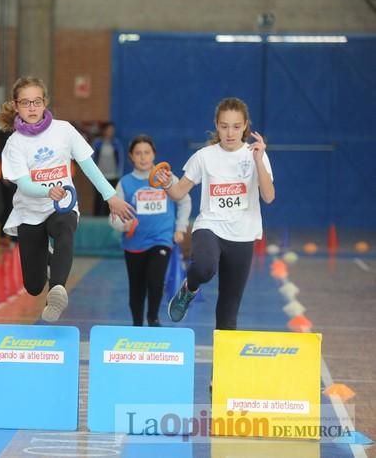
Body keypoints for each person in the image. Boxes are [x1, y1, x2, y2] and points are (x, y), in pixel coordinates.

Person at [0, 76, 135, 322]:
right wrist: (45, 190)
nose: (32, 108)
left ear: (45, 103)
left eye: (36, 102)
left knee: (64, 228)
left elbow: (88, 166)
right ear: (16, 105)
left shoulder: (64, 130)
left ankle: (58, 290)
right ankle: (48, 263)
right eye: (26, 103)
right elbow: (24, 184)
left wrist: (110, 196)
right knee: (33, 286)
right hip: (29, 210)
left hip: (62, 205)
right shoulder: (14, 144)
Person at [155, 97, 275, 330]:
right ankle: (189, 288)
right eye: (224, 126)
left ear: (245, 126)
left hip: (242, 235)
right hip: (210, 226)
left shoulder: (255, 155)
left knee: (229, 309)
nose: (230, 133)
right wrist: (168, 183)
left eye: (236, 126)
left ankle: (223, 364)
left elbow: (269, 197)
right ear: (217, 125)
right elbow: (179, 192)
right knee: (204, 267)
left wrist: (259, 161)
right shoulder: (204, 156)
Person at [110, 134, 191, 327]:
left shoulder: (167, 178)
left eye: (147, 152)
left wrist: (180, 228)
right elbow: (113, 216)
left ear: (154, 154)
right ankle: (137, 324)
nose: (143, 157)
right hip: (134, 243)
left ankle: (153, 318)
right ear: (131, 156)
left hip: (161, 239)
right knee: (136, 287)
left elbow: (185, 201)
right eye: (138, 153)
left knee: (155, 281)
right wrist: (123, 225)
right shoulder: (124, 184)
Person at [91, 122, 126, 216]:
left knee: (110, 198)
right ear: (104, 131)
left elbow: (121, 159)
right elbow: (92, 159)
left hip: (113, 175)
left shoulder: (116, 143)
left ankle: (109, 217)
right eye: (109, 130)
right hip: (100, 176)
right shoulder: (97, 143)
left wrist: (119, 173)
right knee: (99, 198)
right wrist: (94, 174)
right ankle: (97, 217)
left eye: (112, 130)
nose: (110, 132)